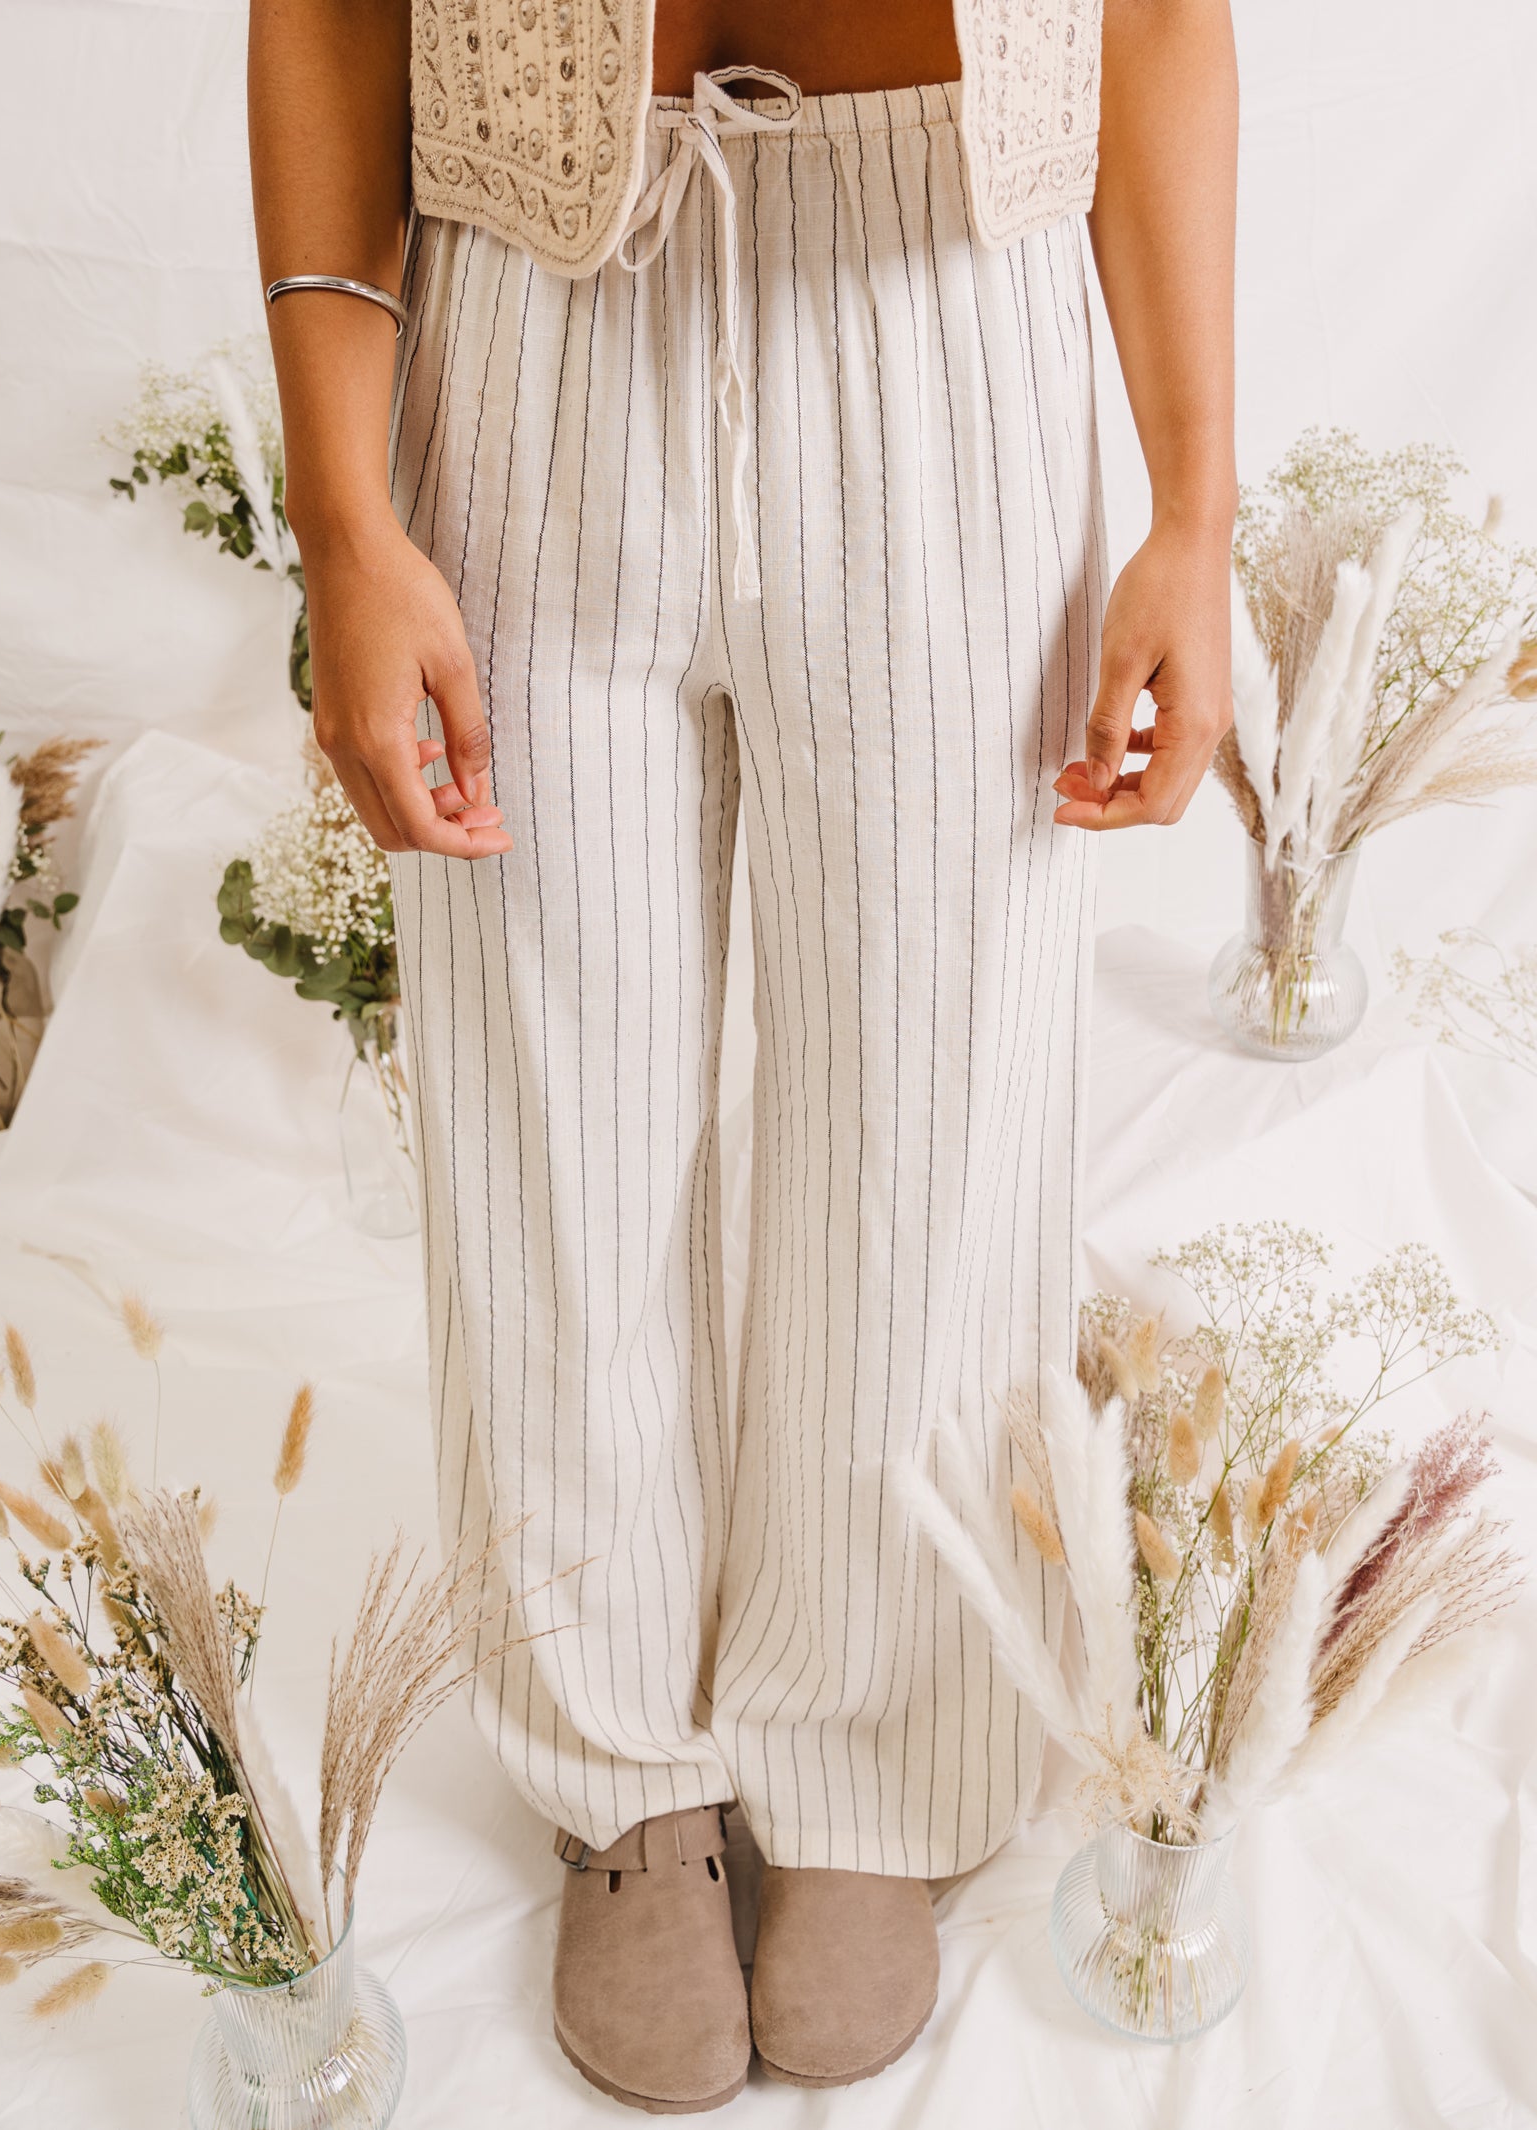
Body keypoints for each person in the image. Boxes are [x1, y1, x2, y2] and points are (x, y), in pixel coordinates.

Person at [248, 0, 1237, 2109]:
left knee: (928, 1095)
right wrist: (343, 517)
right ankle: (616, 1753)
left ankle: (877, 1736)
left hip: (941, 298)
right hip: (532, 312)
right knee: (549, 1098)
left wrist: (1195, 505)